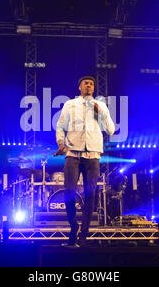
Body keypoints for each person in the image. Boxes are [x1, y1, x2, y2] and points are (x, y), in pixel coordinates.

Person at [55, 75, 115, 247]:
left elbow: (110, 130)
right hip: (73, 154)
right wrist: (61, 143)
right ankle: (74, 227)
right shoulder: (70, 105)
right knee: (68, 192)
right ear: (79, 87)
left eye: (91, 84)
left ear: (93, 89)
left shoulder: (101, 106)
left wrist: (100, 113)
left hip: (93, 155)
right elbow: (60, 126)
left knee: (91, 195)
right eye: (85, 84)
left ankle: (83, 235)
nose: (89, 86)